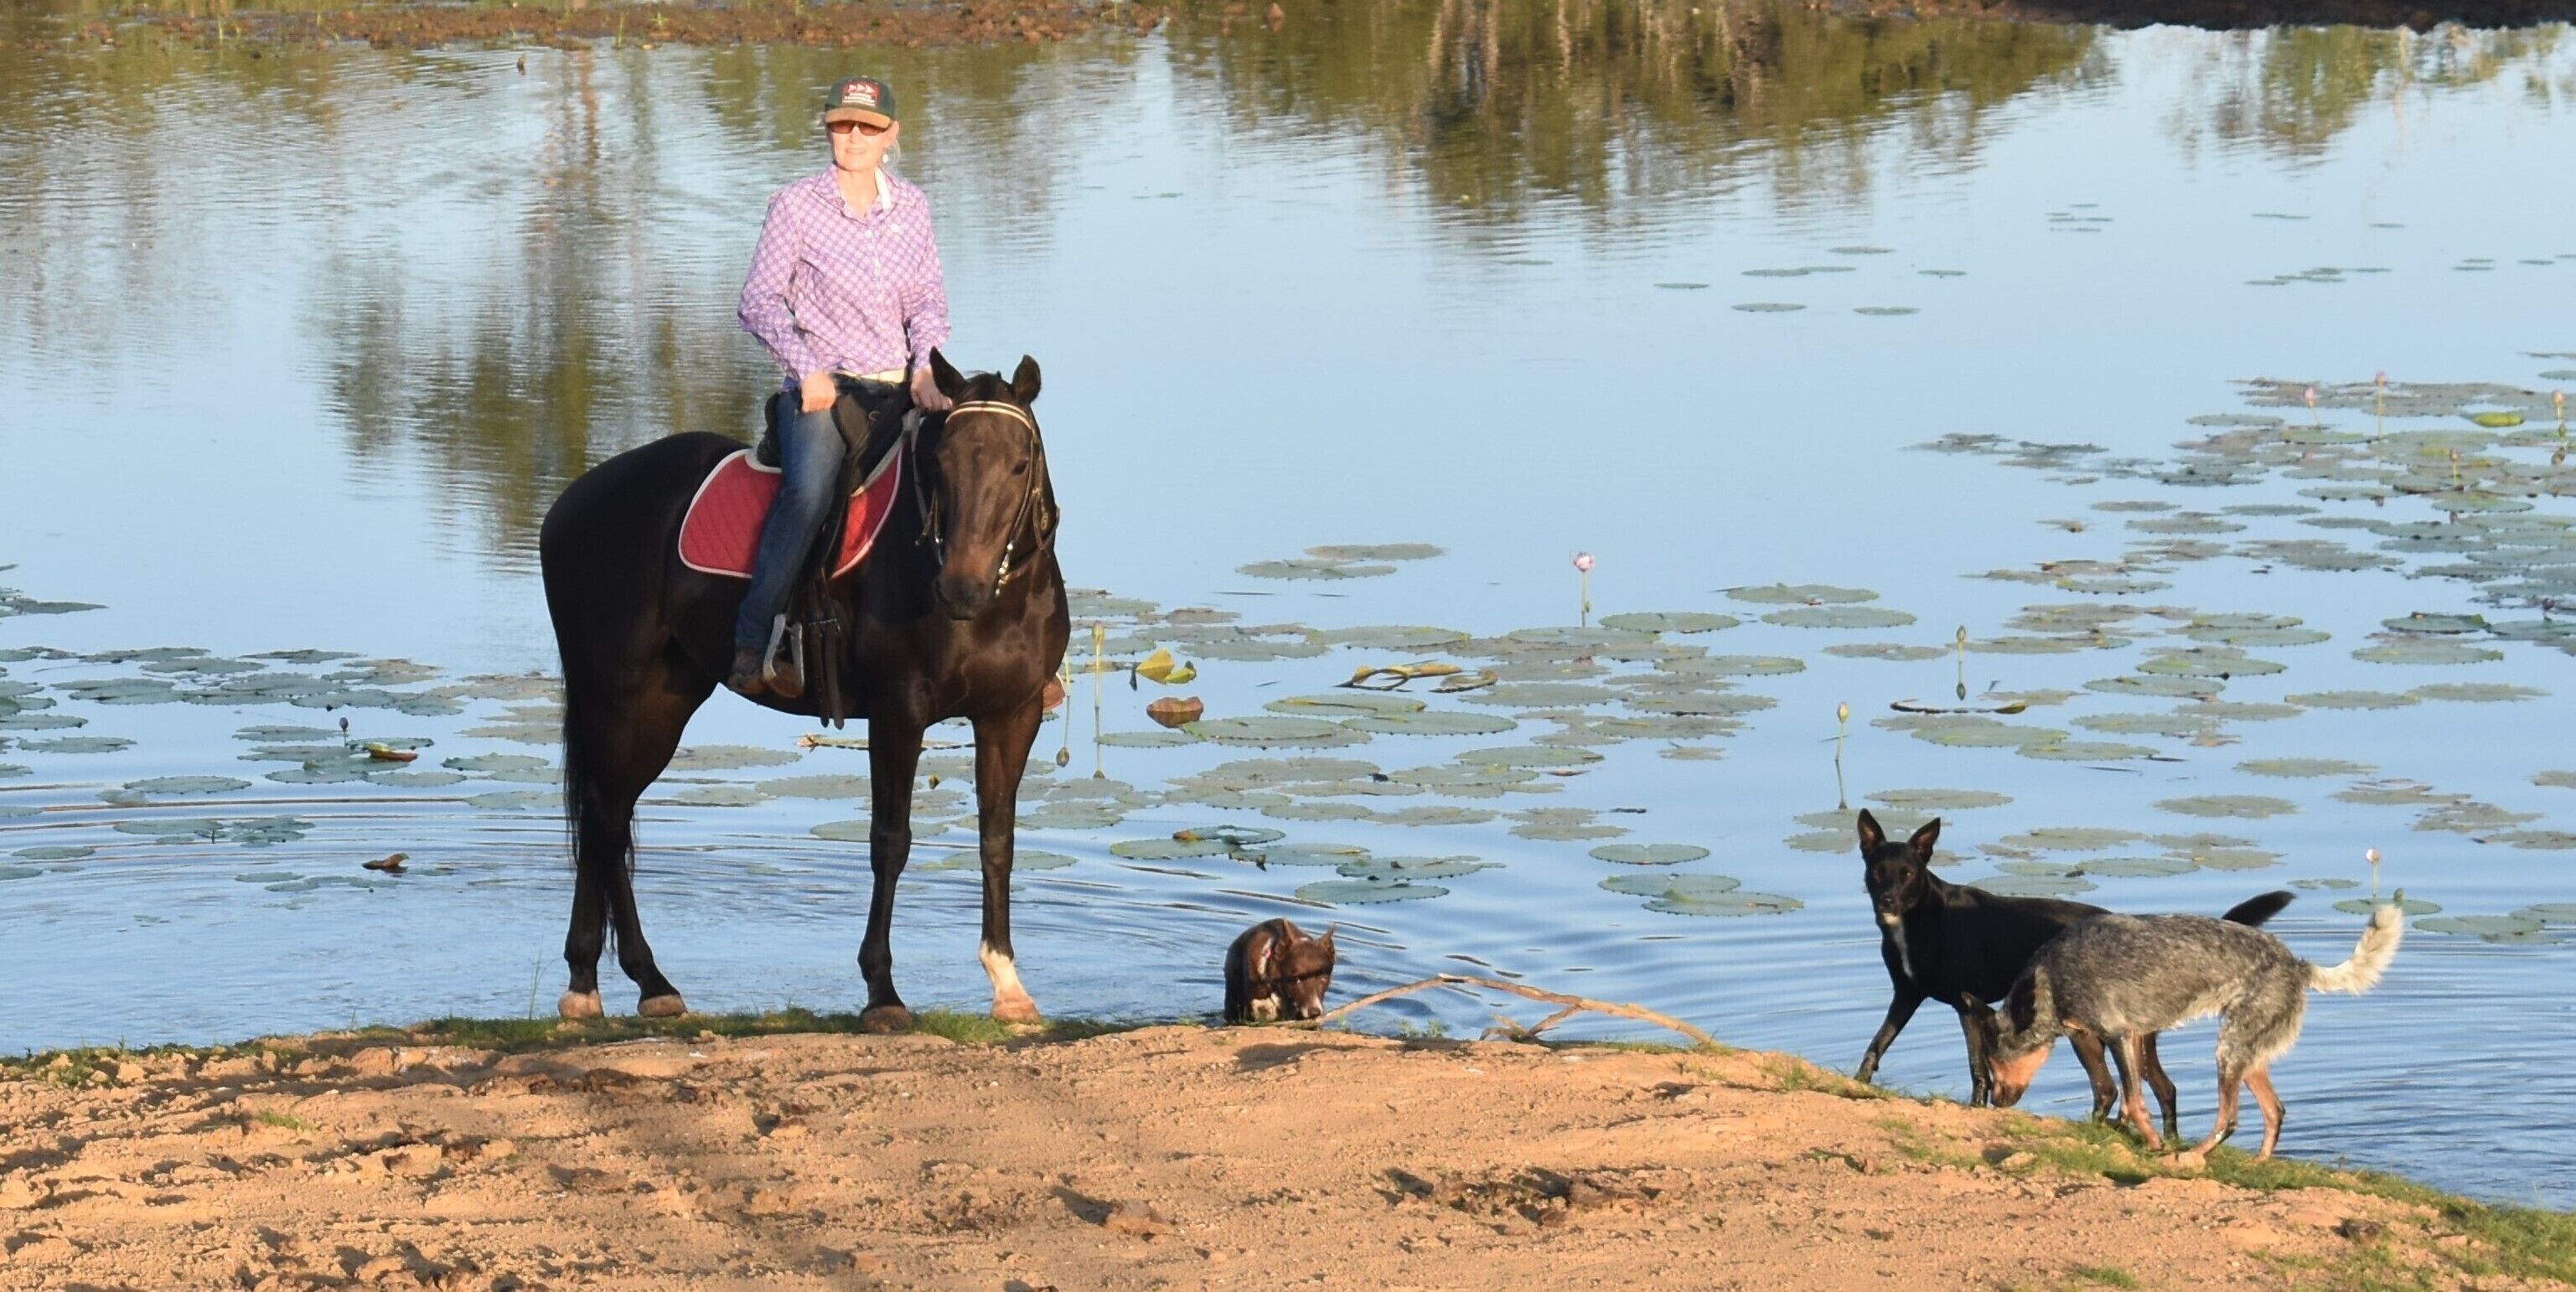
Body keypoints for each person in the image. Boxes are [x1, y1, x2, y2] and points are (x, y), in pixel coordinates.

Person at [731, 75, 954, 699]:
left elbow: (928, 303)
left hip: (899, 385)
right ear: (829, 128)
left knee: (976, 467)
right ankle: (755, 642)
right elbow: (758, 301)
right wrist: (806, 369)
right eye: (842, 125)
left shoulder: (913, 208)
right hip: (823, 389)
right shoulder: (796, 205)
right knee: (807, 493)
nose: (853, 137)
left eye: (867, 127)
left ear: (891, 135)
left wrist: (927, 366)